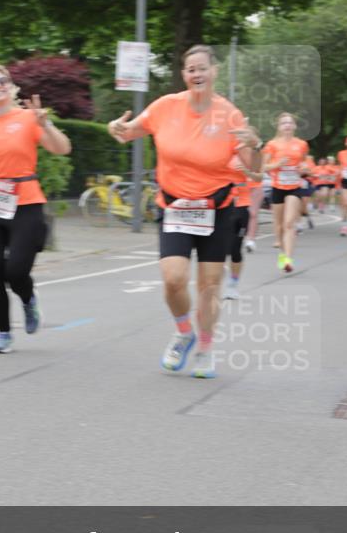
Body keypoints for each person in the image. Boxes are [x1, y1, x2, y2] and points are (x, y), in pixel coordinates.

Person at [108, 44, 262, 379]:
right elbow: (129, 131)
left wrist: (254, 144)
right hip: (175, 207)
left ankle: (205, 347)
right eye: (190, 69)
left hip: (216, 209)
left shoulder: (229, 115)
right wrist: (116, 128)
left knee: (209, 284)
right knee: (173, 280)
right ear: (183, 74)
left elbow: (255, 172)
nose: (197, 74)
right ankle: (184, 332)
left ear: (214, 71)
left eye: (202, 68)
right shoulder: (166, 106)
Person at [0, 64, 71, 353]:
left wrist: (45, 124)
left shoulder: (27, 118)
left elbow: (63, 148)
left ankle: (28, 299)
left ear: (10, 86)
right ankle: (4, 333)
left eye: (2, 81)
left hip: (26, 202)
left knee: (16, 270)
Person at [262, 114, 310, 273]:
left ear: (295, 126)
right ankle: (282, 254)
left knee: (289, 223)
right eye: (284, 123)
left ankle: (288, 259)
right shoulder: (272, 145)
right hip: (278, 187)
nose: (287, 125)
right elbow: (263, 168)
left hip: (295, 187)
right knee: (280, 225)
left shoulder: (302, 144)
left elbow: (306, 165)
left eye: (290, 122)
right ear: (279, 127)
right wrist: (278, 164)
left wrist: (304, 168)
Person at [225, 160, 263, 298]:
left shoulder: (247, 163)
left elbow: (258, 179)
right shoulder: (221, 160)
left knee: (235, 249)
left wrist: (247, 172)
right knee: (221, 248)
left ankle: (232, 285)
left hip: (241, 210)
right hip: (222, 210)